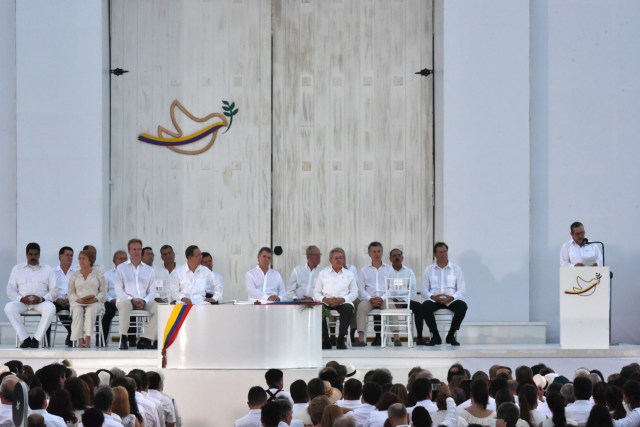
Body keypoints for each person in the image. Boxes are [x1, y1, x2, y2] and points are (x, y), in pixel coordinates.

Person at [5, 242, 57, 349]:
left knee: (51, 308)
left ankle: (36, 339)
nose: (33, 257)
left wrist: (42, 298)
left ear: (39, 255)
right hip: (22, 302)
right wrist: (21, 298)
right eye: (30, 254)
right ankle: (25, 338)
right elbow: (10, 290)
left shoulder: (48, 269)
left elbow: (54, 291)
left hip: (40, 302)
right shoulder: (17, 269)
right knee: (9, 308)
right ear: (26, 255)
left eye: (35, 254)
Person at [421, 242, 467, 346]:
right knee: (424, 306)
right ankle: (436, 336)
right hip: (435, 300)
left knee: (462, 306)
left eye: (445, 251)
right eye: (440, 252)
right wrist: (432, 297)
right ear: (435, 254)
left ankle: (450, 336)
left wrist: (452, 297)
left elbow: (462, 290)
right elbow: (424, 290)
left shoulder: (456, 269)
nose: (443, 254)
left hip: (450, 300)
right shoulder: (429, 270)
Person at [116, 238, 158, 350]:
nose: (137, 252)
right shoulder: (121, 268)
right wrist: (132, 299)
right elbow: (119, 290)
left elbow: (153, 291)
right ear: (129, 251)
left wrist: (144, 301)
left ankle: (145, 339)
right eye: (134, 249)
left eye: (139, 249)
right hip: (127, 300)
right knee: (124, 305)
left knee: (159, 309)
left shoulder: (149, 270)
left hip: (144, 300)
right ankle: (124, 338)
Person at [313, 248, 359, 350]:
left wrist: (343, 299)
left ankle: (340, 339)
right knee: (319, 310)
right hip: (327, 301)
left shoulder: (349, 274)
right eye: (336, 258)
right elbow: (316, 292)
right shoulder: (323, 273)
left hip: (343, 302)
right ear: (330, 260)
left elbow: (355, 292)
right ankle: (326, 340)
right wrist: (324, 299)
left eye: (341, 258)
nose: (339, 260)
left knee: (348, 309)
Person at [353, 242, 393, 347]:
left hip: (384, 299)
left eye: (379, 251)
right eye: (374, 252)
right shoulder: (364, 270)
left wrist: (382, 298)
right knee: (361, 307)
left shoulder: (389, 269)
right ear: (369, 253)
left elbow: (392, 288)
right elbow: (361, 289)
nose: (376, 254)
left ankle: (396, 337)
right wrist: (370, 298)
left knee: (391, 305)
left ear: (382, 252)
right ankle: (361, 339)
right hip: (369, 299)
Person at [68, 250, 107, 348]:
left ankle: (88, 338)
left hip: (94, 302)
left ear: (90, 261)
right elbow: (71, 293)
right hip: (78, 301)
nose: (81, 261)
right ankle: (80, 339)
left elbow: (103, 292)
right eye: (80, 258)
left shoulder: (98, 274)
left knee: (91, 310)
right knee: (77, 310)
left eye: (84, 258)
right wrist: (78, 300)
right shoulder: (74, 275)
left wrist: (95, 299)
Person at [387, 248, 425, 345]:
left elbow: (413, 290)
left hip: (406, 301)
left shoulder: (409, 272)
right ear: (390, 258)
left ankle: (420, 337)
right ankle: (396, 337)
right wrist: (394, 300)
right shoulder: (387, 271)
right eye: (394, 256)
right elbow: (384, 289)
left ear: (402, 257)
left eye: (399, 255)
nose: (397, 257)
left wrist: (405, 302)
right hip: (391, 301)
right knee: (389, 305)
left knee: (420, 307)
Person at [50, 246, 76, 347]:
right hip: (56, 300)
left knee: (78, 310)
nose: (69, 257)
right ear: (60, 256)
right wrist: (57, 299)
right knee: (49, 310)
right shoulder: (52, 272)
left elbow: (78, 289)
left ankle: (72, 335)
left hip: (71, 300)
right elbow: (49, 289)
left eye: (71, 255)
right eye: (67, 255)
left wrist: (70, 299)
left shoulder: (76, 273)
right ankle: (46, 340)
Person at [102, 250, 128, 346]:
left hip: (126, 301)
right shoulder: (107, 274)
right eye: (121, 259)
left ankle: (130, 339)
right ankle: (102, 339)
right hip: (111, 301)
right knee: (106, 311)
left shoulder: (132, 274)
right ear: (114, 261)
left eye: (125, 259)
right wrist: (111, 300)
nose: (123, 261)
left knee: (130, 307)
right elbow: (103, 292)